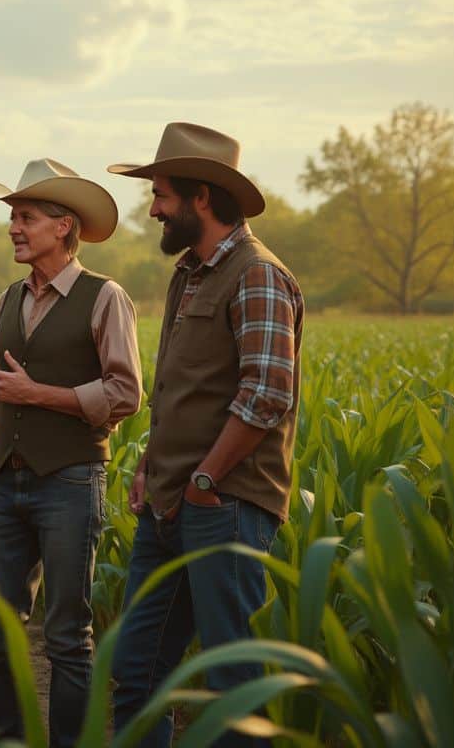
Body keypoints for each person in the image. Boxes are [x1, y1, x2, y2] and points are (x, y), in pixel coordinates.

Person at [107, 122, 304, 747]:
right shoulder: (190, 272)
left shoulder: (258, 274)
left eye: (162, 194)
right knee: (136, 671)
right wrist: (149, 464)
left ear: (201, 198)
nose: (154, 208)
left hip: (225, 507)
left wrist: (203, 480)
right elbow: (183, 389)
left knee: (230, 683)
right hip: (171, 501)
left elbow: (267, 391)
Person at [0, 158, 142, 746]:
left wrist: (42, 395)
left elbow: (126, 392)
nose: (13, 227)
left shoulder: (105, 297)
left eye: (25, 217)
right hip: (6, 483)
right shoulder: (10, 298)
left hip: (71, 481)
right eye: (12, 217)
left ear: (63, 226)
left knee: (67, 635)